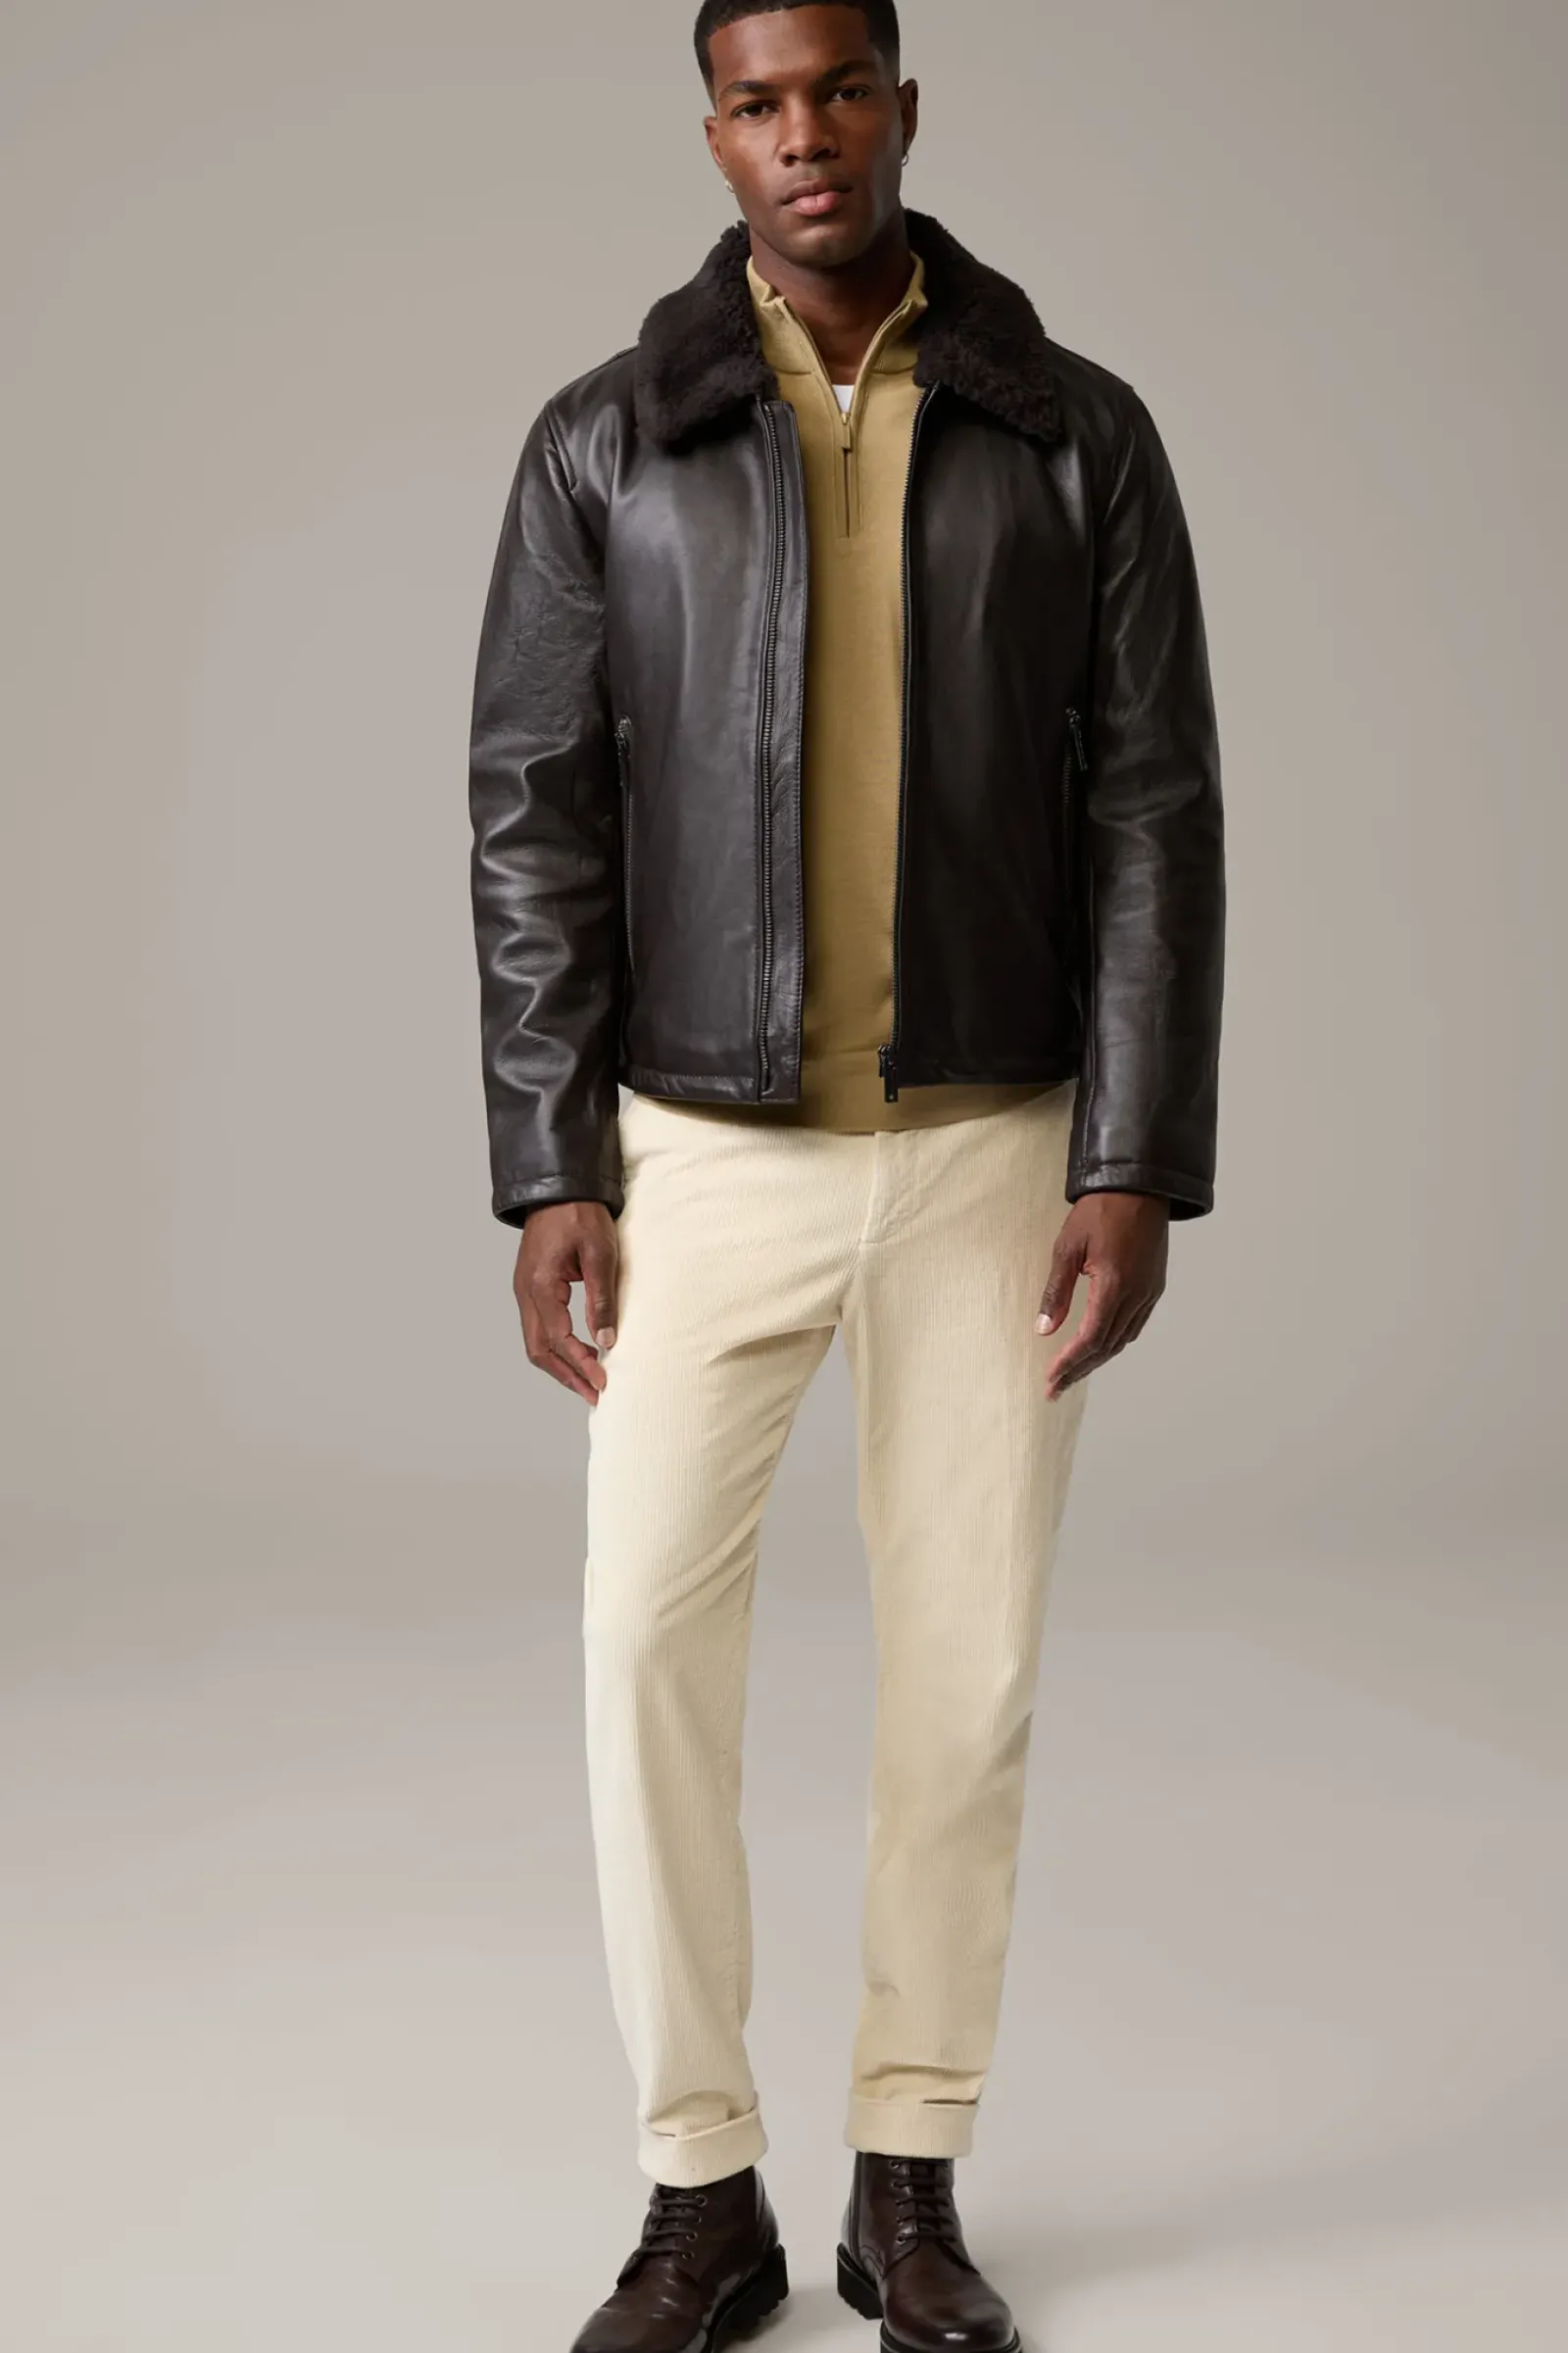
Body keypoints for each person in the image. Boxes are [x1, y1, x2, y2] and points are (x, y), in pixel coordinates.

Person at [467, 1, 1225, 2343]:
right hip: (698, 1153)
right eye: (757, 102)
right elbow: (532, 810)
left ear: (903, 103)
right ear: (712, 130)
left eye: (839, 90)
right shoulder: (607, 439)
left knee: (963, 1680)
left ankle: (908, 2178)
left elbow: (1151, 809)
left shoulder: (1073, 433)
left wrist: (1131, 1152)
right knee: (638, 1650)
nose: (803, 137)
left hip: (995, 1144)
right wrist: (549, 1161)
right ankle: (699, 2193)